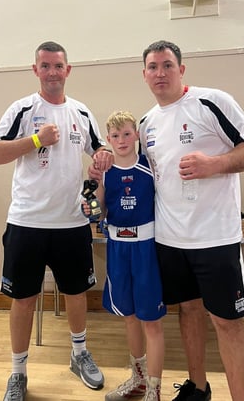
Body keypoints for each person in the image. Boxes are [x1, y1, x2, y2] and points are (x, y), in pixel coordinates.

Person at [138, 40, 244, 401]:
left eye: (167, 65)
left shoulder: (212, 101)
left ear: (181, 69)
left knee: (227, 322)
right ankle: (198, 387)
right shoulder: (147, 123)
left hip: (215, 237)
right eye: (152, 67)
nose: (160, 73)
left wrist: (216, 164)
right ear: (144, 74)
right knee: (188, 311)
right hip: (170, 238)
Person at [0, 41, 111, 400]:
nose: (52, 72)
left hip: (72, 222)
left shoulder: (81, 112)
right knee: (23, 299)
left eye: (58, 66)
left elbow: (101, 148)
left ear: (68, 70)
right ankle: (18, 372)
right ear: (35, 70)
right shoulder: (23, 108)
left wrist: (102, 158)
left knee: (75, 292)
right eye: (45, 66)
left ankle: (79, 354)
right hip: (27, 221)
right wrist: (36, 139)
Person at [85, 111, 166, 401]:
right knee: (129, 317)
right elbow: (99, 209)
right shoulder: (103, 171)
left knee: (151, 321)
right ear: (108, 140)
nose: (121, 140)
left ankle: (155, 390)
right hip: (118, 248)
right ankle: (139, 379)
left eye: (127, 134)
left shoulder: (150, 166)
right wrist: (91, 208)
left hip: (146, 248)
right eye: (115, 136)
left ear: (137, 136)